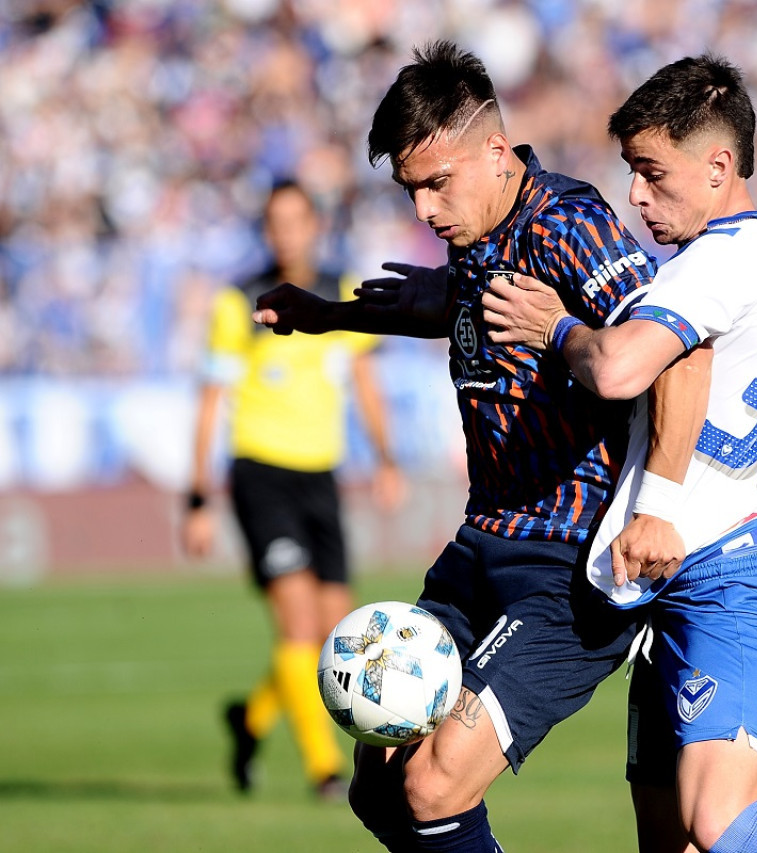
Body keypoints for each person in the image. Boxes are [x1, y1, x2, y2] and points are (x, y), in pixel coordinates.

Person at [252, 41, 660, 852]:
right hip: (485, 544)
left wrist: (669, 497)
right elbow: (466, 301)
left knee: (434, 781)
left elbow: (661, 347)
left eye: (437, 184)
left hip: (570, 559)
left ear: (496, 152)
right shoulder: (479, 232)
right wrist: (332, 315)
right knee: (380, 785)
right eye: (411, 191)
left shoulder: (569, 224)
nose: (426, 213)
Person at [482, 55, 757, 853]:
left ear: (719, 166)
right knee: (671, 842)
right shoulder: (740, 257)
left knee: (720, 824)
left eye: (653, 174)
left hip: (736, 578)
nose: (637, 196)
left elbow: (622, 366)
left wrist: (556, 329)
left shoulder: (726, 257)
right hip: (672, 583)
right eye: (631, 173)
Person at [181, 180, 405, 799]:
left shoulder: (340, 295)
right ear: (266, 230)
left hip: (321, 476)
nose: (286, 233)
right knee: (299, 623)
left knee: (334, 632)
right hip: (260, 473)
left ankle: (250, 720)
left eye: (296, 220)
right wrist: (197, 498)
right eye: (274, 222)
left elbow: (365, 382)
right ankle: (323, 770)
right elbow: (209, 401)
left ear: (315, 225)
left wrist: (387, 460)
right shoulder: (238, 301)